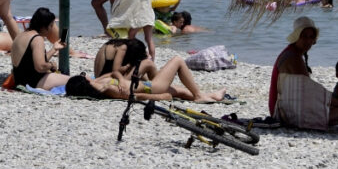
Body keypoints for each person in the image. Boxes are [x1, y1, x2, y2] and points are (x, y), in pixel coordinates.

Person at [71, 55, 225, 102]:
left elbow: (114, 73)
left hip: (146, 83)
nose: (87, 75)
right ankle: (199, 96)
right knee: (177, 60)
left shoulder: (98, 82)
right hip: (151, 88)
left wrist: (121, 79)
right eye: (84, 76)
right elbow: (135, 96)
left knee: (181, 92)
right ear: (85, 82)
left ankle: (212, 96)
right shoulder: (108, 89)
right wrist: (161, 97)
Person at [9, 7, 69, 90]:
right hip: (34, 82)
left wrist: (54, 49)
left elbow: (32, 62)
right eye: (51, 25)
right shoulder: (37, 39)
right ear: (44, 26)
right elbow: (40, 67)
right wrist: (51, 65)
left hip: (19, 80)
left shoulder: (22, 35)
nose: (52, 29)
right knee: (75, 80)